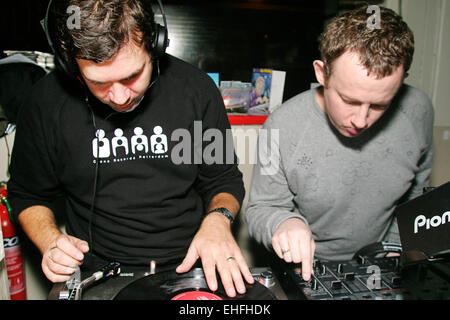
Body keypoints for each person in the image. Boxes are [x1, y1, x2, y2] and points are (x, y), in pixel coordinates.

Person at [7, 0, 254, 298]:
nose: (120, 97)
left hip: (190, 265)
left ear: (155, 44)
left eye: (132, 76)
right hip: (96, 272)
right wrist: (50, 242)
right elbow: (28, 194)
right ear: (70, 64)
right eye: (99, 83)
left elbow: (223, 179)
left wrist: (219, 219)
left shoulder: (196, 90)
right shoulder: (45, 103)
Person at [246, 6, 434, 282]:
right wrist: (284, 223)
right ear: (322, 73)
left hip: (383, 266)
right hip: (307, 272)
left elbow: (416, 195)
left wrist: (396, 246)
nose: (361, 120)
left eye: (380, 104)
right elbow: (261, 209)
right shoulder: (281, 126)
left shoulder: (419, 111)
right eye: (349, 100)